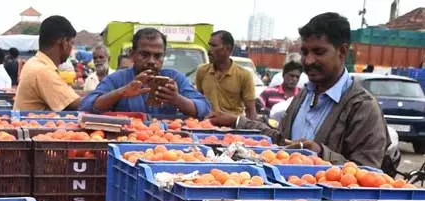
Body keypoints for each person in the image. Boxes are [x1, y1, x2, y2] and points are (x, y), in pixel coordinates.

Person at [209, 13, 388, 168]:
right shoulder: (304, 95)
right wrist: (238, 121)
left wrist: (320, 153)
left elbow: (368, 174)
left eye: (318, 52)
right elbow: (281, 141)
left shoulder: (363, 108)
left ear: (342, 51)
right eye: (304, 52)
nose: (308, 61)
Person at [80, 28, 210, 118]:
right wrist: (121, 92)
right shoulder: (117, 79)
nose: (152, 61)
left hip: (165, 145)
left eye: (158, 56)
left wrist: (177, 99)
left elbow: (203, 108)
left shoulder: (174, 78)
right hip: (126, 143)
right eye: (145, 54)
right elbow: (87, 106)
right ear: (132, 54)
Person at [13, 16, 81, 111]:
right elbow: (76, 104)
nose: (71, 48)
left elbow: (68, 94)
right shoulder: (43, 71)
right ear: (64, 42)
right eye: (71, 43)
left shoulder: (34, 62)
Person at [197, 30, 256, 119]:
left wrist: (252, 130)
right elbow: (198, 101)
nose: (209, 50)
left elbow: (250, 109)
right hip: (206, 127)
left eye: (214, 46)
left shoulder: (244, 75)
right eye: (209, 45)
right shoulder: (202, 71)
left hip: (233, 129)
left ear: (228, 49)